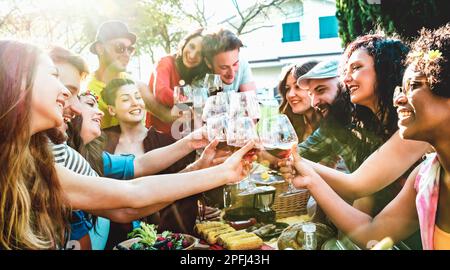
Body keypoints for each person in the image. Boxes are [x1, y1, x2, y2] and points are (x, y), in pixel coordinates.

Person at [0, 39, 253, 249]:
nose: (69, 98)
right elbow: (131, 196)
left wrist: (195, 152)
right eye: (55, 78)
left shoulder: (35, 158)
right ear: (17, 84)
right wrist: (222, 172)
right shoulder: (33, 164)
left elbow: (132, 192)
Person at [290, 24, 450, 250]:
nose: (399, 99)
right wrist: (308, 178)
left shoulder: (418, 135)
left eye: (413, 86)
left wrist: (297, 162)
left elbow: (356, 185)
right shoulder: (424, 177)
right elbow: (369, 226)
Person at [87, 20, 171, 130]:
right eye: (120, 48)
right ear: (100, 48)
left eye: (130, 49)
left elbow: (167, 116)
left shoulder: (138, 86)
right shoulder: (86, 91)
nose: (126, 54)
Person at [145, 28, 209, 135]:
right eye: (191, 46)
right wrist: (192, 103)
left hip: (183, 139)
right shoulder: (166, 62)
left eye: (200, 54)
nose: (192, 55)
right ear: (185, 44)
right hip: (157, 137)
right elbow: (162, 92)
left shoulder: (198, 75)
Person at [201, 28, 256, 93]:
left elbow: (250, 98)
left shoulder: (242, 63)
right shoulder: (199, 76)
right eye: (224, 67)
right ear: (208, 63)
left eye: (235, 64)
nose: (231, 73)